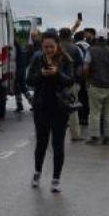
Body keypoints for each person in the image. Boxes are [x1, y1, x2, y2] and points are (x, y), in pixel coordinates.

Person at [27, 31, 74, 193]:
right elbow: (29, 80)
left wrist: (57, 73)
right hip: (41, 106)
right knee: (41, 142)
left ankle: (56, 179)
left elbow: (70, 81)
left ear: (57, 45)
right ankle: (37, 172)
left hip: (60, 107)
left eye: (51, 47)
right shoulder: (36, 59)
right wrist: (41, 74)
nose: (48, 50)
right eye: (45, 46)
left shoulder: (65, 59)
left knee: (58, 144)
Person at [84, 29, 109, 145]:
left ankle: (95, 137)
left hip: (95, 85)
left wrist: (87, 79)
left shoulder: (91, 50)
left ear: (97, 38)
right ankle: (108, 136)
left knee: (95, 112)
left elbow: (85, 68)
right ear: (106, 39)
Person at [59, 28, 84, 141]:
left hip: (56, 81)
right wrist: (78, 80)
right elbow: (79, 66)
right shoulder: (75, 48)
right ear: (70, 36)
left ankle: (52, 132)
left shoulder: (55, 46)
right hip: (70, 81)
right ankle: (75, 135)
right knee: (73, 108)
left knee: (54, 108)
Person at [74, 31, 91, 126]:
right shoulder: (89, 46)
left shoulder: (75, 46)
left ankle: (81, 117)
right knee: (86, 96)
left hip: (79, 75)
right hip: (88, 74)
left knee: (79, 96)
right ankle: (87, 117)